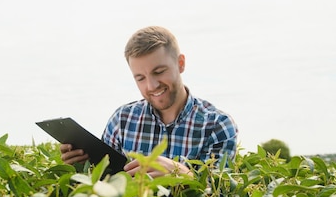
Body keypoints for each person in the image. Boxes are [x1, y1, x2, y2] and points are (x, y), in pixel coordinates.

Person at [60, 26, 238, 177]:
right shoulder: (122, 120)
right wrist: (81, 165)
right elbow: (103, 182)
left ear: (181, 63)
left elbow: (219, 194)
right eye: (140, 78)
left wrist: (180, 174)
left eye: (159, 72)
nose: (151, 85)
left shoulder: (217, 125)